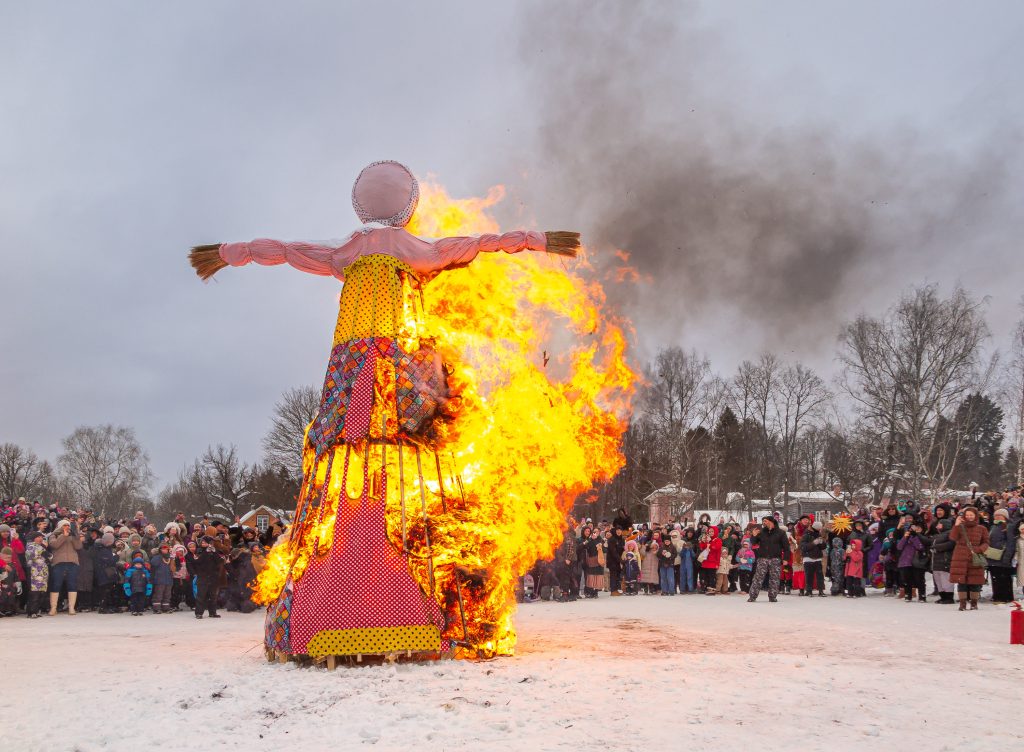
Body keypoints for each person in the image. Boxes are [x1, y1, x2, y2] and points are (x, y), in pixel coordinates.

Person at [949, 506, 989, 611]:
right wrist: (956, 525)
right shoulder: (960, 526)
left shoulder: (982, 528)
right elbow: (953, 537)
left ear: (975, 516)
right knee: (961, 581)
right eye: (967, 515)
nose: (969, 517)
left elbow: (986, 543)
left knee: (975, 581)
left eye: (971, 515)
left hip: (975, 557)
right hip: (960, 556)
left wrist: (979, 549)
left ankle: (974, 603)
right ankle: (962, 604)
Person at [747, 516, 788, 603]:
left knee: (775, 578)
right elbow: (753, 543)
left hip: (775, 559)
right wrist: (753, 536)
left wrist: (786, 558)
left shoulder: (781, 533)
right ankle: (752, 596)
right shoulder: (761, 532)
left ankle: (772, 596)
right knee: (758, 577)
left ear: (771, 521)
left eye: (765, 521)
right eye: (763, 521)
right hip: (762, 558)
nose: (764, 523)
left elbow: (786, 547)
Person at [47, 518, 82, 615]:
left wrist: (76, 536)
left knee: (72, 584)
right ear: (60, 526)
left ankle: (71, 608)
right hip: (58, 562)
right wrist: (63, 536)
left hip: (72, 563)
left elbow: (79, 547)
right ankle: (53, 608)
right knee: (56, 584)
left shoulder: (72, 535)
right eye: (65, 525)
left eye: (68, 525)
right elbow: (54, 545)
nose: (67, 527)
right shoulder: (53, 535)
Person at [987, 509, 1016, 604]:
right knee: (995, 578)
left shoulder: (1009, 526)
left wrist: (1007, 558)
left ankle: (1004, 597)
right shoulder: (993, 526)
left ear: (1005, 517)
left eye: (1000, 515)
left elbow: (1011, 543)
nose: (998, 517)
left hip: (1002, 557)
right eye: (996, 515)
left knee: (1003, 578)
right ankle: (997, 595)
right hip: (993, 556)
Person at [896, 523, 928, 603]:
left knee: (919, 580)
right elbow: (899, 547)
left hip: (917, 561)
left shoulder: (923, 537)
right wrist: (905, 537)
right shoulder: (906, 537)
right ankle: (908, 594)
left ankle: (922, 595)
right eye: (912, 528)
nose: (914, 530)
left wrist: (915, 537)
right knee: (906, 579)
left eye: (917, 528)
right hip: (905, 561)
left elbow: (920, 547)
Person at [192, 535, 223, 618]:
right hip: (203, 577)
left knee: (212, 596)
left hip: (213, 577)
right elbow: (198, 561)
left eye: (205, 542)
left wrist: (214, 552)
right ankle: (199, 613)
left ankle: (212, 612)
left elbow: (219, 561)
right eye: (202, 542)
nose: (203, 544)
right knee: (201, 595)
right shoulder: (199, 551)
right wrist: (206, 552)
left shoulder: (214, 551)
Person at [930, 518, 956, 605]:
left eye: (939, 524)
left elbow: (951, 544)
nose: (937, 526)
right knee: (938, 579)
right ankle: (943, 596)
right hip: (936, 560)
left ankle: (949, 597)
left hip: (945, 560)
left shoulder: (950, 533)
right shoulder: (937, 535)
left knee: (946, 580)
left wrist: (937, 547)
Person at [25, 529, 49, 618]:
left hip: (43, 572)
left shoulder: (41, 546)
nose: (40, 539)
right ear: (34, 538)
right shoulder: (30, 546)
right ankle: (31, 612)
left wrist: (45, 552)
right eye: (38, 537)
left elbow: (50, 557)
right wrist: (43, 552)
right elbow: (29, 559)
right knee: (34, 592)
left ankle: (36, 610)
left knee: (41, 593)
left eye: (41, 537)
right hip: (34, 572)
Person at [800, 521, 827, 597]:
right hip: (808, 558)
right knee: (809, 575)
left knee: (820, 575)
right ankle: (809, 591)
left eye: (819, 529)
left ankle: (821, 591)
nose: (818, 531)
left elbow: (823, 547)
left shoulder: (819, 534)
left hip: (818, 557)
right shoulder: (806, 535)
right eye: (817, 529)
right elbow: (803, 547)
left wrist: (822, 543)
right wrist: (813, 543)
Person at [149, 544, 174, 613]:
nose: (164, 550)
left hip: (169, 580)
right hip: (159, 580)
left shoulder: (170, 558)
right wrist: (157, 555)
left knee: (167, 594)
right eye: (163, 549)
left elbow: (174, 568)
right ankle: (157, 608)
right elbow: (153, 563)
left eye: (166, 549)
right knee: (158, 594)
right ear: (160, 550)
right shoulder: (157, 557)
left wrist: (173, 558)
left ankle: (166, 607)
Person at [698, 526, 721, 594]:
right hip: (705, 560)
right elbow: (702, 547)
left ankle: (712, 589)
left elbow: (716, 548)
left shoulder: (717, 540)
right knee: (705, 575)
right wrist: (703, 541)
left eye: (712, 531)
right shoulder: (708, 539)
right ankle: (705, 587)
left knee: (712, 576)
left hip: (713, 561)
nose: (710, 533)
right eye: (709, 531)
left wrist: (710, 541)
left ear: (715, 532)